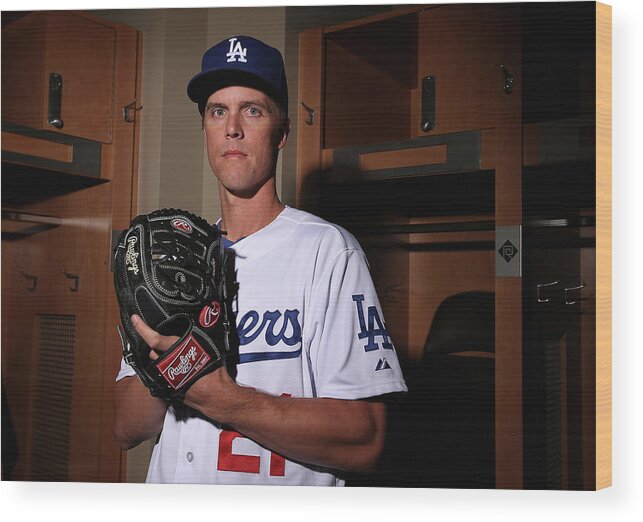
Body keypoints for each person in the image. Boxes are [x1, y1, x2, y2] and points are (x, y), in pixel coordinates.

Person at [113, 35, 407, 486]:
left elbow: (366, 439)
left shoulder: (328, 252)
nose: (232, 127)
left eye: (252, 109)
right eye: (217, 111)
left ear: (282, 132)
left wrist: (220, 397)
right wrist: (170, 351)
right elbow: (126, 428)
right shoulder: (174, 259)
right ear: (207, 131)